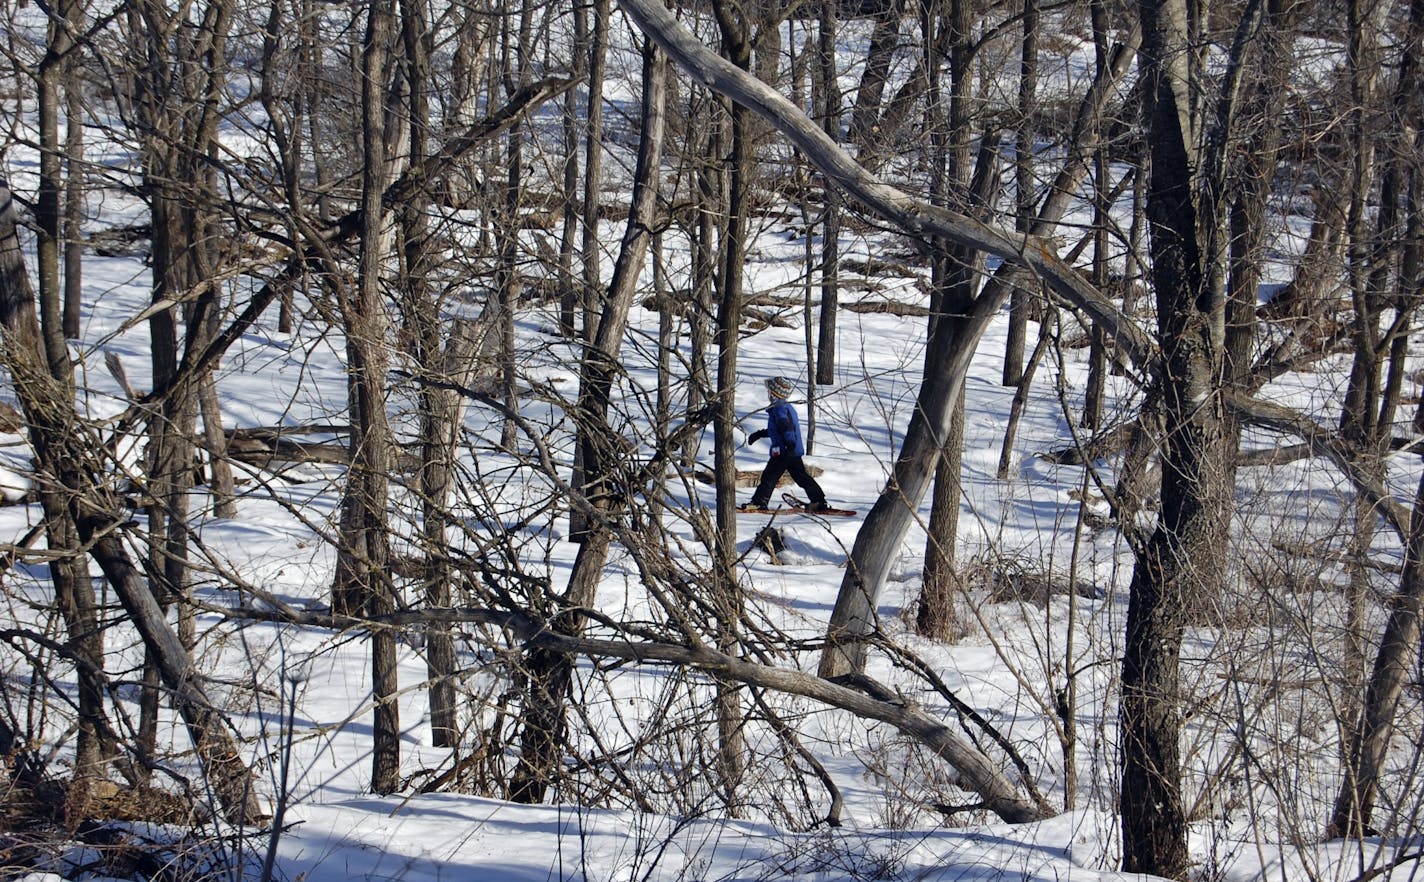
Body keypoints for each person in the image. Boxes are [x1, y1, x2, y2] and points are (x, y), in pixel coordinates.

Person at [740, 376, 829, 511]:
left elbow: (785, 426)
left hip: (785, 450)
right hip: (789, 450)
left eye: (769, 391)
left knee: (769, 477)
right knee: (801, 477)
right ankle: (819, 501)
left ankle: (759, 502)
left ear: (775, 393)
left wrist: (789, 443)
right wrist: (759, 434)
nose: (768, 394)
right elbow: (777, 430)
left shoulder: (779, 407)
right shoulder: (783, 407)